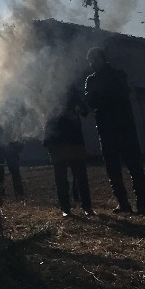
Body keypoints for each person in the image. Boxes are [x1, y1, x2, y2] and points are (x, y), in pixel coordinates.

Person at [84, 47, 145, 215]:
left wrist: (96, 98)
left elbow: (118, 95)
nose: (92, 63)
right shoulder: (92, 80)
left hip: (123, 126)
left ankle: (141, 203)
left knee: (133, 165)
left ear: (102, 59)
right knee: (113, 167)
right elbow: (89, 103)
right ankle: (124, 202)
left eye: (95, 59)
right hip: (107, 128)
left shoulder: (117, 75)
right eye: (90, 60)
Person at [43, 86, 94, 217]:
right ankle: (66, 208)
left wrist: (76, 110)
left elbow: (84, 111)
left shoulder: (72, 91)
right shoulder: (47, 92)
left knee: (81, 176)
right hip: (56, 140)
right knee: (61, 178)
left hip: (74, 139)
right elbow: (44, 114)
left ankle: (87, 206)